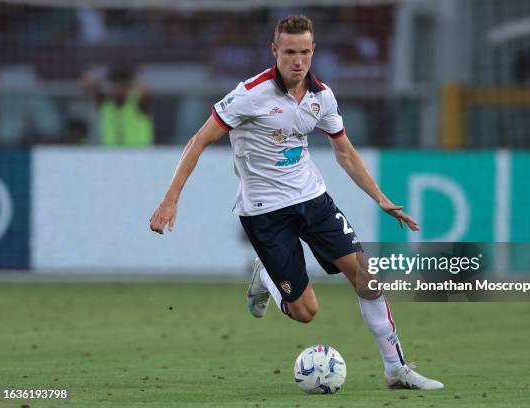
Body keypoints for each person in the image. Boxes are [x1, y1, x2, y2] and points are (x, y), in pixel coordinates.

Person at [150, 15, 443, 390]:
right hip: (265, 212)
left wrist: (381, 198)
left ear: (313, 51)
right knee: (306, 312)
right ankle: (265, 275)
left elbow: (346, 154)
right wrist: (171, 199)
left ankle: (396, 369)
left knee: (366, 277)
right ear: (275, 51)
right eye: (289, 52)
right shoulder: (250, 95)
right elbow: (198, 141)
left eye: (305, 52)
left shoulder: (322, 97)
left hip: (312, 199)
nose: (298, 60)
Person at [82, 66, 154, 146]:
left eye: (122, 84)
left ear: (128, 85)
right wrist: (106, 76)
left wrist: (131, 80)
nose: (118, 88)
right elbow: (88, 84)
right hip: (111, 155)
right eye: (115, 85)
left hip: (139, 155)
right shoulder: (105, 102)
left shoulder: (138, 102)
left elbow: (147, 89)